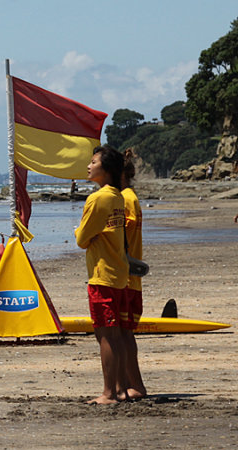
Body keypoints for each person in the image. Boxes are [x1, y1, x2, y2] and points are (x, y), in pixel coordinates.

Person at [75, 145, 129, 405]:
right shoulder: (118, 196)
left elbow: (82, 239)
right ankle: (119, 388)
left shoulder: (98, 198)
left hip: (102, 274)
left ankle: (109, 393)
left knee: (105, 334)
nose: (88, 165)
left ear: (105, 169)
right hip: (117, 272)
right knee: (114, 333)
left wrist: (78, 230)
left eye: (93, 161)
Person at [121, 149, 148, 399]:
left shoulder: (126, 199)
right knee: (123, 332)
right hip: (130, 277)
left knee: (123, 332)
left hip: (126, 277)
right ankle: (128, 384)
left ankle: (136, 385)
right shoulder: (130, 196)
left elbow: (122, 233)